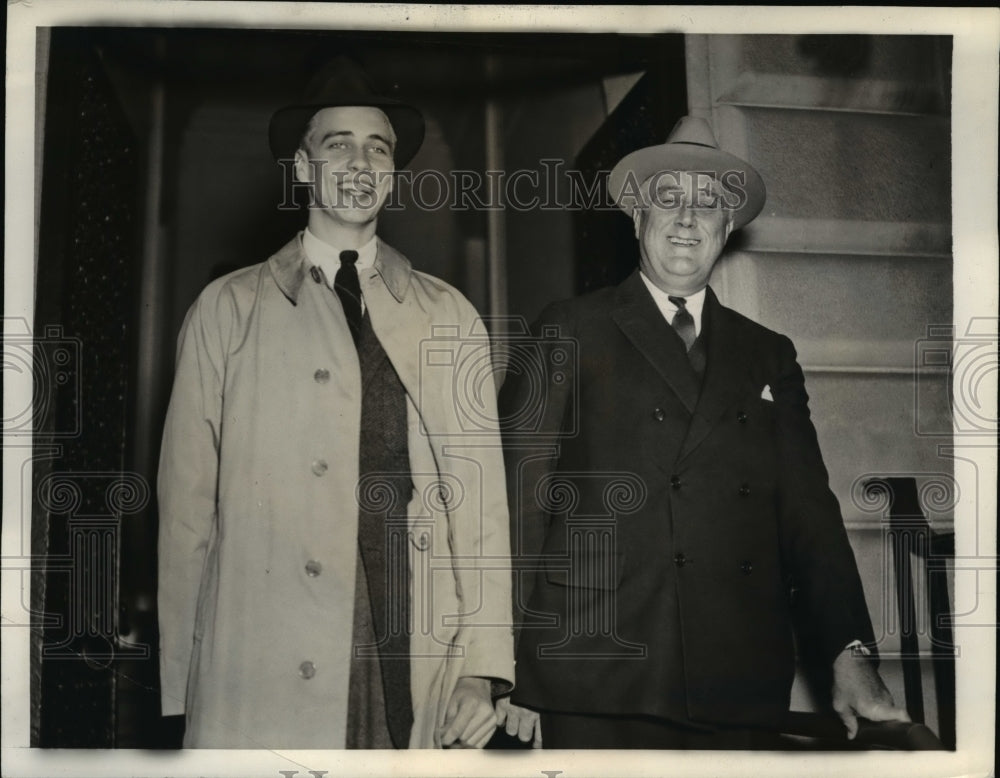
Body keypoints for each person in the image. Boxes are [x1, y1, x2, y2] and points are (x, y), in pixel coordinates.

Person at [494, 116, 909, 749]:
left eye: (708, 203)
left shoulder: (768, 353)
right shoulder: (570, 327)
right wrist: (509, 667)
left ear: (727, 228)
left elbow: (809, 514)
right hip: (589, 665)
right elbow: (513, 502)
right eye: (668, 199)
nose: (688, 218)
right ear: (637, 219)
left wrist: (849, 654)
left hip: (734, 671)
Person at [157, 58, 513, 749]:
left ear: (395, 173)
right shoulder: (226, 310)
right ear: (301, 167)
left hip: (405, 639)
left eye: (377, 148)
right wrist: (186, 681)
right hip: (257, 649)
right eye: (337, 144)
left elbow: (481, 505)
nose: (360, 161)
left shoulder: (449, 315)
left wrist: (485, 665)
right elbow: (186, 513)